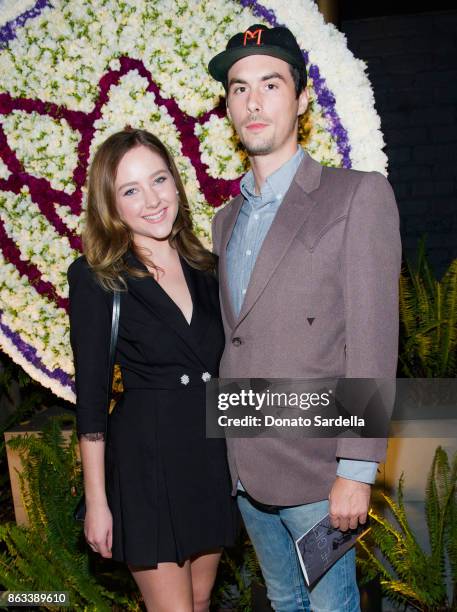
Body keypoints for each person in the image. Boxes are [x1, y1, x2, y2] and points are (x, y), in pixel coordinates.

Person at [208, 24, 401, 611]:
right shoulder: (224, 220)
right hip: (245, 462)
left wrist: (356, 467)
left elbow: (371, 340)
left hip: (320, 470)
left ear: (301, 98)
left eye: (270, 83)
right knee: (282, 601)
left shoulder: (356, 196)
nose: (254, 101)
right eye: (240, 89)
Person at [67, 128, 238, 612]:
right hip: (147, 464)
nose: (151, 200)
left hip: (208, 457)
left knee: (201, 599)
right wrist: (97, 502)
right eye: (130, 190)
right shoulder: (98, 277)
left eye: (159, 180)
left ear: (176, 184)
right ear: (111, 204)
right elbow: (92, 402)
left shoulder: (208, 267)